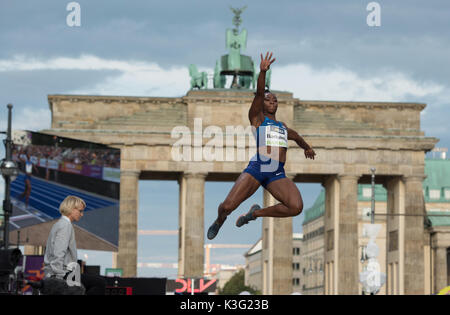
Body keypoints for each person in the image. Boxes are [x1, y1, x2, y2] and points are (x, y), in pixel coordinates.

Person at [207, 52, 316, 240]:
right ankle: (219, 220)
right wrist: (262, 72)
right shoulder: (258, 119)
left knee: (295, 207)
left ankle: (254, 214)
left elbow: (296, 137)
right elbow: (258, 93)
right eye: (268, 100)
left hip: (276, 172)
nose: (272, 102)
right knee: (227, 207)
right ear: (262, 104)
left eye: (274, 100)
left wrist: (307, 147)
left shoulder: (283, 127)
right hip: (258, 167)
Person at [43, 195, 106, 295]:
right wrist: (57, 281)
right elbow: (59, 253)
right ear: (71, 209)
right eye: (80, 211)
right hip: (60, 274)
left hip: (58, 273)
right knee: (99, 283)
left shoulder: (60, 224)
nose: (82, 214)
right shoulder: (65, 225)